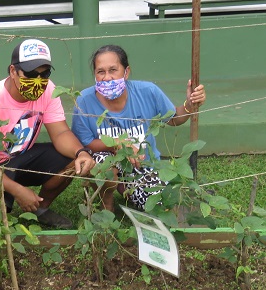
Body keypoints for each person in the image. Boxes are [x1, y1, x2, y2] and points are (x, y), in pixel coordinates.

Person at [0, 39, 96, 229]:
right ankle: (8, 200)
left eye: (45, 73)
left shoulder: (48, 90)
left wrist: (81, 153)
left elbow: (61, 132)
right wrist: (18, 191)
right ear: (13, 71)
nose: (38, 80)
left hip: (18, 157)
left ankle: (40, 208)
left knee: (71, 160)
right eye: (30, 74)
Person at [71, 44, 206, 211]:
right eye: (101, 72)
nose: (107, 78)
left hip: (142, 166)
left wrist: (190, 104)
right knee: (101, 163)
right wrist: (118, 143)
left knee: (160, 206)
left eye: (113, 70)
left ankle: (128, 190)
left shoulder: (148, 91)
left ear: (126, 72)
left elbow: (174, 119)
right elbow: (87, 143)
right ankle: (106, 204)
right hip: (109, 161)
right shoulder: (84, 101)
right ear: (94, 75)